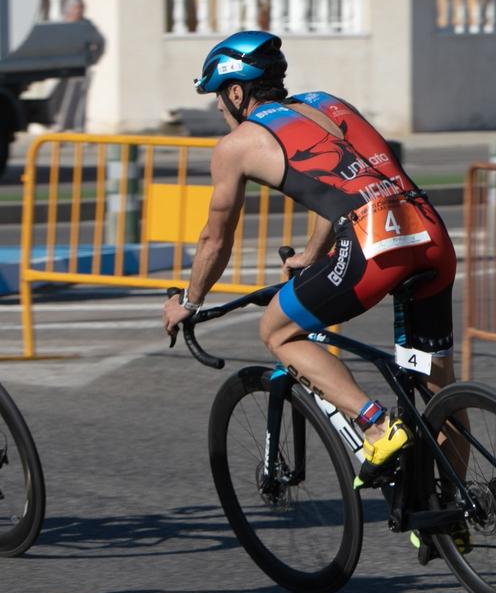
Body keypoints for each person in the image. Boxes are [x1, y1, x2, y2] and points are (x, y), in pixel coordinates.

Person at [161, 31, 457, 479]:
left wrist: (189, 301)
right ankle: (456, 513)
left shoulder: (238, 144)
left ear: (237, 91)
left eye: (220, 99)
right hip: (430, 232)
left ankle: (376, 426)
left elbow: (215, 240)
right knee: (438, 388)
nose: (220, 110)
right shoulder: (325, 102)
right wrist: (313, 255)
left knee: (278, 331)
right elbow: (347, 178)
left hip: (374, 245)